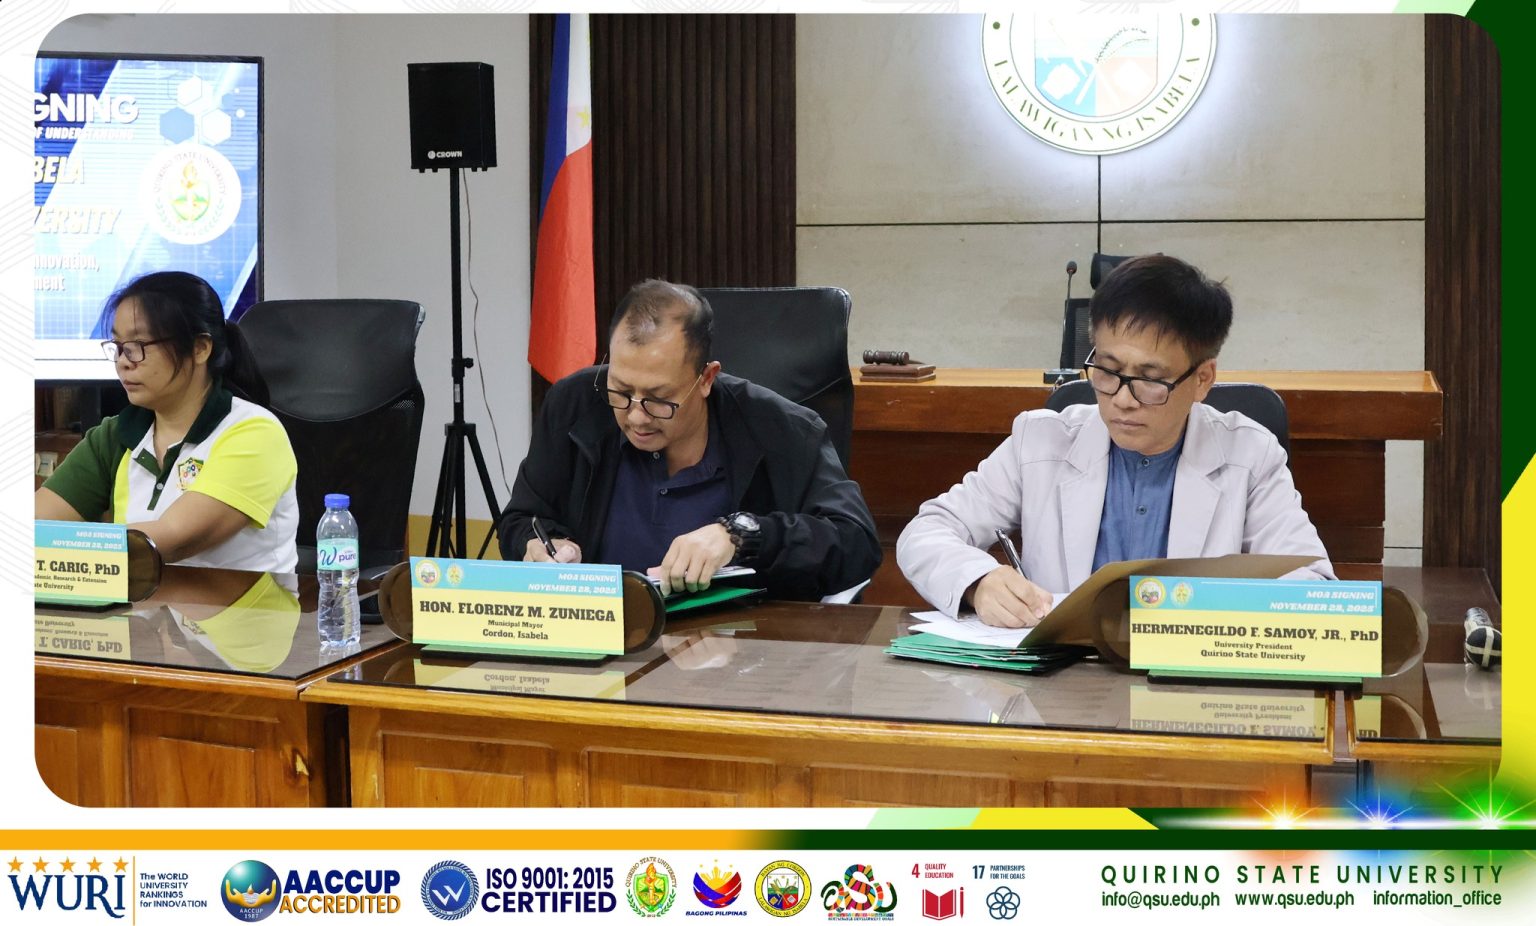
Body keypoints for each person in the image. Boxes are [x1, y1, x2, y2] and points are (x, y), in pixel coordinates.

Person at [897, 254, 1334, 628]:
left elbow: (1311, 583)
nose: (1122, 400)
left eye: (1149, 379)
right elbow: (926, 532)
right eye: (1107, 371)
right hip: (1058, 684)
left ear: (1203, 379)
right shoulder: (1041, 441)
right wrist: (978, 582)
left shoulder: (1249, 455)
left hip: (1190, 681)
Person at [498, 279, 881, 600]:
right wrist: (541, 545)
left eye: (659, 398)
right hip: (603, 637)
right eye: (621, 391)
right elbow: (522, 518)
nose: (636, 416)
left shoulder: (783, 428)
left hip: (740, 647)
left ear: (706, 379)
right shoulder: (574, 404)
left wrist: (742, 535)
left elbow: (856, 543)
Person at [36, 271, 299, 573]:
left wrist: (65, 547)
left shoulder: (255, 433)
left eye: (138, 346)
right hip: (138, 604)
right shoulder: (115, 435)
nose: (123, 361)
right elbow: (36, 523)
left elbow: (171, 539)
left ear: (200, 348)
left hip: (245, 604)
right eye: (118, 346)